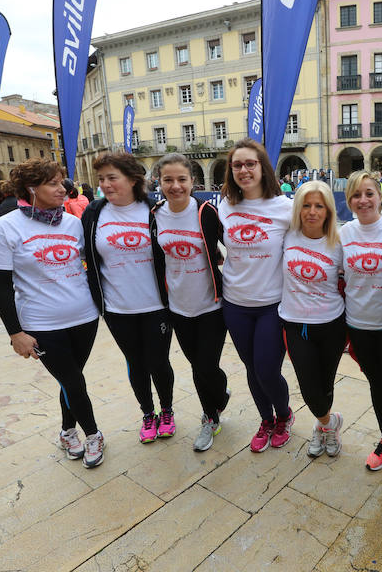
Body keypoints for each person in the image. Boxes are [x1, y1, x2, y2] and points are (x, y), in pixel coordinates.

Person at [0, 159, 104, 468]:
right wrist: (15, 333)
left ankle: (66, 431)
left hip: (84, 318)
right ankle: (93, 434)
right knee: (73, 381)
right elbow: (0, 287)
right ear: (31, 189)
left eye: (62, 182)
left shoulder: (72, 223)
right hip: (41, 323)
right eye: (54, 184)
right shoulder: (4, 228)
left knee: (71, 380)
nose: (63, 189)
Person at [82, 152, 176, 444]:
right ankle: (147, 414)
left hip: (156, 305)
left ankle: (167, 411)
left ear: (133, 180)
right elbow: (86, 256)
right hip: (117, 307)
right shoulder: (94, 213)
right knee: (135, 363)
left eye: (112, 178)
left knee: (158, 362)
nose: (105, 185)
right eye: (101, 179)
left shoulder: (155, 210)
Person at [218, 138, 295, 452]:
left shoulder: (286, 208)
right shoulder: (225, 205)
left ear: (263, 168)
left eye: (250, 163)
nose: (244, 170)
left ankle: (284, 415)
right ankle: (266, 419)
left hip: (271, 304)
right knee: (251, 369)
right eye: (237, 165)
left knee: (266, 368)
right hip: (235, 303)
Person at [151, 153, 231, 452]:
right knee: (200, 365)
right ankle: (220, 398)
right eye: (168, 180)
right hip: (177, 307)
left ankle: (210, 417)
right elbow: (156, 260)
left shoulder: (206, 211)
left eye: (181, 179)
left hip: (211, 305)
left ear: (192, 181)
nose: (175, 186)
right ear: (158, 181)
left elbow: (233, 245)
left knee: (204, 367)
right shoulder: (155, 215)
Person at [341, 171, 382, 470]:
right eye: (356, 195)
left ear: (381, 196)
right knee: (376, 385)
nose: (363, 200)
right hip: (359, 324)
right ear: (349, 201)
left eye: (369, 193)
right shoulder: (344, 234)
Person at [279, 181, 346, 457]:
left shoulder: (340, 242)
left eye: (319, 206)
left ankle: (322, 429)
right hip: (295, 323)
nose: (312, 211)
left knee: (325, 384)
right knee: (308, 386)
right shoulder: (287, 236)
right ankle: (331, 422)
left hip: (331, 324)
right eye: (306, 205)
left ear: (328, 210)